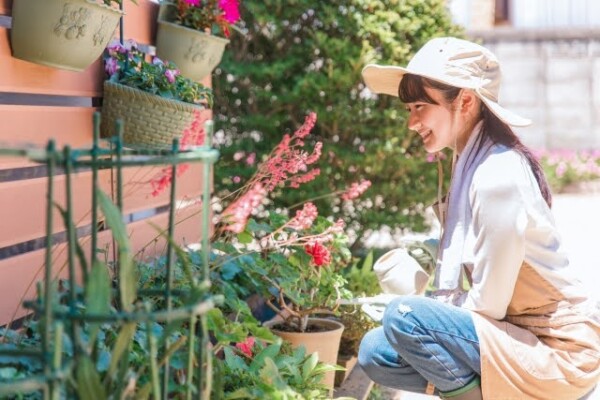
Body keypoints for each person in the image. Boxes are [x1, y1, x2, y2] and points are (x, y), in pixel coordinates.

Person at [357, 37, 600, 400]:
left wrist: (427, 306)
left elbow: (489, 305)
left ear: (465, 101)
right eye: (409, 109)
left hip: (559, 354)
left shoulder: (496, 173)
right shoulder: (472, 161)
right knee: (376, 351)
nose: (412, 122)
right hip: (515, 337)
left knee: (404, 316)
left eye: (421, 106)